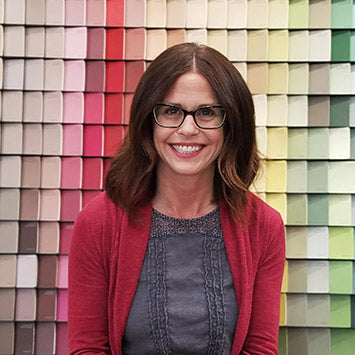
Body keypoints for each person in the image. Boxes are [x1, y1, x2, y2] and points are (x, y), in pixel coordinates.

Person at [68, 42, 285, 355]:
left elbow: (260, 348)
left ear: (232, 126)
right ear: (148, 121)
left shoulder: (263, 226)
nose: (187, 129)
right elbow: (87, 348)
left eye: (207, 113)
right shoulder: (99, 222)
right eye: (171, 111)